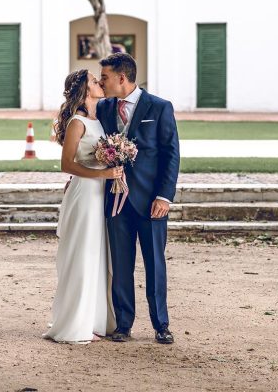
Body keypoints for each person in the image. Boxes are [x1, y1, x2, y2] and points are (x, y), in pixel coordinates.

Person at [97, 53, 180, 344]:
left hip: (150, 201)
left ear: (122, 78)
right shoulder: (103, 108)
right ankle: (123, 324)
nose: (101, 82)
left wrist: (164, 196)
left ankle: (161, 324)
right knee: (120, 264)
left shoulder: (159, 107)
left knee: (155, 263)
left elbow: (171, 155)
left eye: (105, 77)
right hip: (115, 200)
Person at [43, 69, 122, 344]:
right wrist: (103, 173)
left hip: (101, 193)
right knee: (83, 256)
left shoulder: (97, 119)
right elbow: (68, 165)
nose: (100, 82)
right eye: (94, 80)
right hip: (86, 194)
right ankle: (75, 324)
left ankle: (96, 320)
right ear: (85, 89)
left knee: (99, 256)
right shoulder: (78, 122)